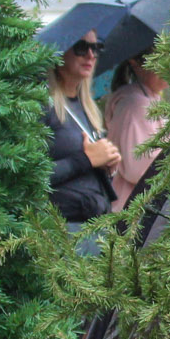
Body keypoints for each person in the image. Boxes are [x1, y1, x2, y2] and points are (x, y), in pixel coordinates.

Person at [45, 30, 119, 223]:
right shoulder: (42, 105)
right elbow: (32, 177)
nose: (90, 55)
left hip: (95, 224)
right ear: (60, 50)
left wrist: (106, 162)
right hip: (60, 228)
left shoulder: (87, 108)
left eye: (96, 48)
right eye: (81, 47)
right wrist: (86, 159)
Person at [104, 51, 167, 210]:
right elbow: (139, 168)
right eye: (160, 57)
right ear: (135, 63)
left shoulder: (150, 99)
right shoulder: (135, 105)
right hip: (135, 213)